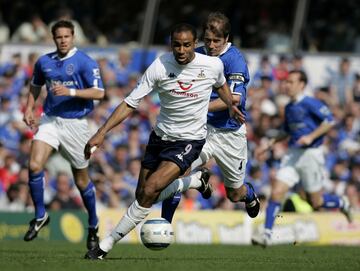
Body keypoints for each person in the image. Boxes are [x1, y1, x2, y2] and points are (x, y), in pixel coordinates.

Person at [84, 23, 243, 260]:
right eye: (176, 45)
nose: (181, 50)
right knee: (143, 196)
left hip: (189, 140)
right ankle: (195, 181)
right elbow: (130, 103)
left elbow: (221, 86)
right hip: (159, 138)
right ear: (171, 44)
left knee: (151, 190)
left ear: (194, 44)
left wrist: (231, 104)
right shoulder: (160, 65)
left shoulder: (211, 65)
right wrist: (102, 131)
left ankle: (105, 245)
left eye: (187, 45)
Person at [161, 12, 260, 223]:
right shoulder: (195, 55)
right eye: (208, 40)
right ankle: (164, 225)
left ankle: (249, 194)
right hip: (201, 129)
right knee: (176, 170)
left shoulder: (235, 60)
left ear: (226, 39)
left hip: (229, 133)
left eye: (217, 41)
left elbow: (232, 100)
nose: (212, 45)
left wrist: (197, 106)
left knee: (234, 194)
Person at [22, 20, 105, 250]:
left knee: (81, 181)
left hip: (76, 125)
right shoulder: (44, 61)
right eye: (58, 37)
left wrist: (70, 91)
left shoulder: (85, 62)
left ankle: (93, 224)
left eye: (66, 36)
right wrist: (29, 108)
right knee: (35, 165)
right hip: (50, 120)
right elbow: (35, 85)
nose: (62, 40)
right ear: (54, 38)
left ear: (73, 36)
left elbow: (99, 92)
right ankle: (40, 216)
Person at [251, 70, 353, 247]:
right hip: (293, 153)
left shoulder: (310, 103)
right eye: (286, 82)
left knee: (316, 202)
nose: (286, 85)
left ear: (302, 85)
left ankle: (342, 202)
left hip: (311, 155)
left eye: (291, 82)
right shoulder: (289, 107)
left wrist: (311, 137)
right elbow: (286, 132)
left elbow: (329, 121)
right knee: (276, 191)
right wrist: (268, 144)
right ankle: (267, 234)